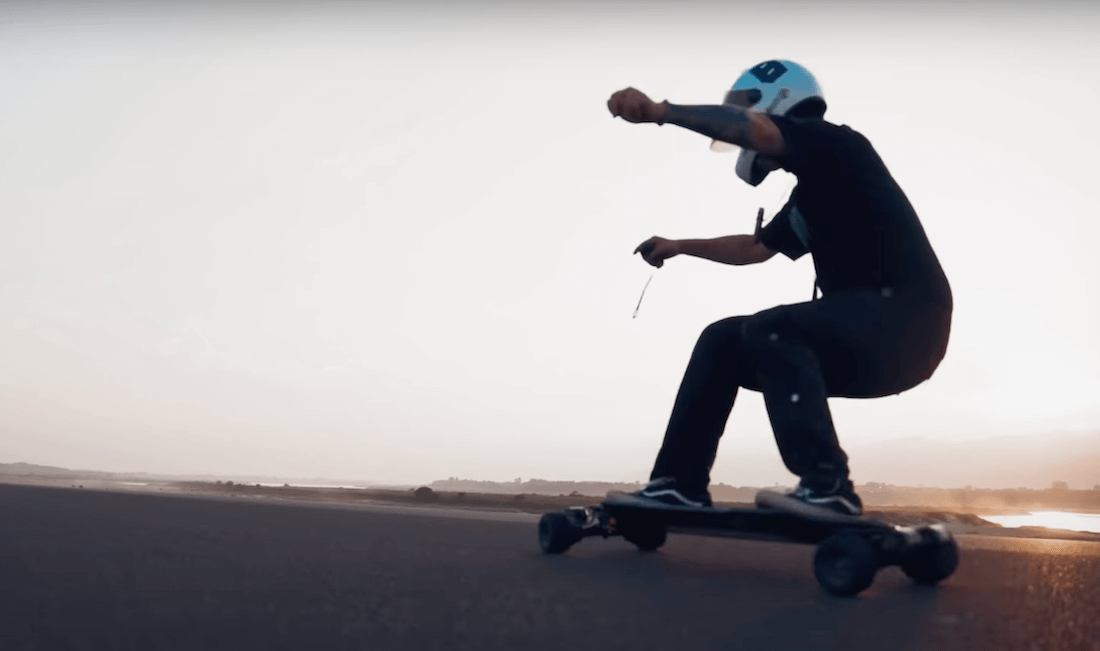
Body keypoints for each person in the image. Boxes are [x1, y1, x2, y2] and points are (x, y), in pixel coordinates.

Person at [607, 60, 952, 516]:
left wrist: (661, 111)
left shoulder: (835, 144)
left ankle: (827, 484)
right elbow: (755, 248)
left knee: (772, 328)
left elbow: (761, 132)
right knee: (723, 340)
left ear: (777, 103)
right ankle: (677, 483)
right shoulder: (812, 193)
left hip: (906, 323)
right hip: (869, 339)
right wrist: (679, 246)